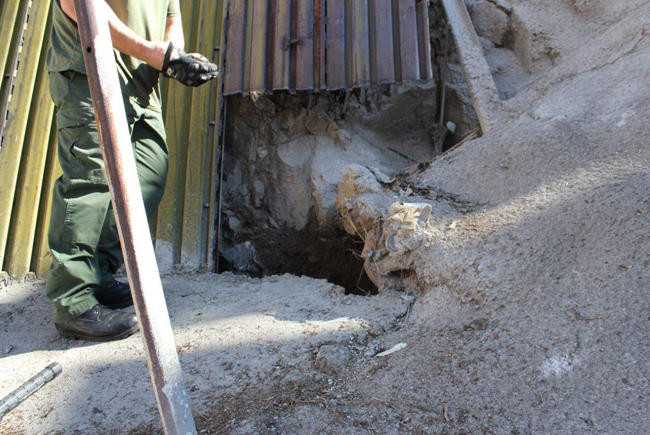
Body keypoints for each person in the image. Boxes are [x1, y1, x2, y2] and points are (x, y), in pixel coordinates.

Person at [44, 0, 217, 341]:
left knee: (147, 176)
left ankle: (98, 274)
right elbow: (78, 5)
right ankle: (72, 302)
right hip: (88, 70)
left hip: (140, 83)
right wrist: (154, 53)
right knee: (90, 182)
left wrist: (176, 60)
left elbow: (171, 17)